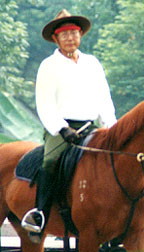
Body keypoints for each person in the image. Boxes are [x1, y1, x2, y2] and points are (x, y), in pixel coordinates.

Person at [21, 9, 117, 240]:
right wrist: (61, 128)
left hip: (91, 126)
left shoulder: (93, 63)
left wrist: (113, 129)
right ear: (56, 39)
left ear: (81, 35)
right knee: (51, 159)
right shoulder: (48, 65)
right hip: (61, 129)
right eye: (64, 35)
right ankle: (40, 215)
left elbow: (104, 99)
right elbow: (44, 104)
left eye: (74, 33)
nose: (70, 38)